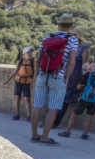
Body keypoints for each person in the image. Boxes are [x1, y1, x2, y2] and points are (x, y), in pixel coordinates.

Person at [31, 13, 78, 145]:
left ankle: (34, 135)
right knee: (53, 107)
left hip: (42, 74)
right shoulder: (72, 39)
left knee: (37, 105)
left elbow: (38, 59)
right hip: (58, 76)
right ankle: (45, 138)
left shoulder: (47, 37)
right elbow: (72, 61)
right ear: (70, 26)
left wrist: (37, 74)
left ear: (59, 24)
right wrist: (67, 76)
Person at [59, 63, 95, 140]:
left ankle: (67, 132)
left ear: (90, 69)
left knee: (75, 114)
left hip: (85, 98)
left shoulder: (88, 74)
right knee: (90, 116)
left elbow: (78, 86)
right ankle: (85, 134)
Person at [53, 28, 91, 129]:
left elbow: (85, 65)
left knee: (65, 99)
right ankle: (51, 121)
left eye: (72, 34)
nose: (70, 35)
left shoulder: (84, 48)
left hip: (75, 77)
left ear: (77, 36)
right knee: (57, 97)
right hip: (63, 73)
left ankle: (55, 123)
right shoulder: (68, 45)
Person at [3, 46, 34, 120]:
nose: (30, 54)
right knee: (17, 98)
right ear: (24, 54)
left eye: (31, 52)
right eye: (28, 52)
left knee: (27, 99)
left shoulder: (33, 61)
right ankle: (17, 115)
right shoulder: (20, 61)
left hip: (27, 82)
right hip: (18, 81)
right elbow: (15, 71)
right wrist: (7, 80)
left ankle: (29, 117)